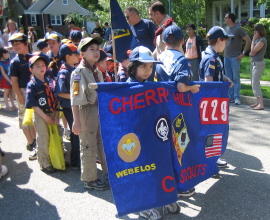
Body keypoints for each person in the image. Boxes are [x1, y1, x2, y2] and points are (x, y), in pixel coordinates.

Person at [127, 45, 181, 219]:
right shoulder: (127, 87)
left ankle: (165, 198)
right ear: (133, 66)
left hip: (154, 137)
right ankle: (145, 205)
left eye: (150, 67)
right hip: (137, 138)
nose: (148, 70)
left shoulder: (151, 85)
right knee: (143, 171)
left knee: (161, 167)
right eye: (143, 66)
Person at [156, 25, 199, 197]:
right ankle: (181, 185)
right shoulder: (182, 60)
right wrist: (193, 88)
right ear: (183, 41)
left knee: (165, 146)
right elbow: (181, 87)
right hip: (177, 109)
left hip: (160, 107)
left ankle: (167, 181)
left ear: (164, 42)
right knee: (180, 146)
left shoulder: (159, 57)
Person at [71, 37, 109, 190]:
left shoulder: (96, 71)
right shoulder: (78, 73)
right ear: (83, 54)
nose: (96, 51)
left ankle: (107, 171)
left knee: (100, 142)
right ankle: (89, 179)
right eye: (91, 49)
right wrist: (76, 120)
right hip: (85, 111)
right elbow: (74, 97)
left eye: (97, 48)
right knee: (88, 144)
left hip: (97, 110)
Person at [199, 26, 234, 168]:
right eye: (225, 41)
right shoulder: (211, 59)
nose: (226, 44)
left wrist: (224, 79)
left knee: (214, 131)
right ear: (219, 40)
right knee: (212, 131)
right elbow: (209, 83)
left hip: (213, 102)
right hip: (211, 103)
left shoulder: (214, 56)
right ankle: (210, 159)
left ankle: (212, 157)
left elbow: (217, 75)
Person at [25, 55, 59, 173]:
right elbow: (33, 104)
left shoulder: (51, 82)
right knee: (43, 139)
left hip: (53, 112)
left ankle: (56, 159)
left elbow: (56, 99)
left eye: (43, 65)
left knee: (56, 136)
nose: (41, 68)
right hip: (41, 115)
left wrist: (55, 116)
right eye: (37, 66)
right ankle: (44, 163)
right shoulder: (32, 85)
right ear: (31, 70)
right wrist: (45, 117)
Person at [8, 33, 37, 160]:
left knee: (36, 119)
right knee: (24, 119)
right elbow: (14, 80)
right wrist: (19, 95)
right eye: (13, 45)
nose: (15, 47)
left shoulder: (35, 57)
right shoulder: (15, 62)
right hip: (23, 91)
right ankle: (31, 142)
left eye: (18, 44)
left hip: (36, 90)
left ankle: (36, 142)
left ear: (26, 43)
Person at [56, 43, 81, 169]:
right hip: (69, 107)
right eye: (75, 54)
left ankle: (78, 159)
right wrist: (76, 97)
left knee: (78, 133)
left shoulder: (73, 69)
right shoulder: (64, 72)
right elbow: (60, 92)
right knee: (76, 133)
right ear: (68, 56)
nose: (78, 55)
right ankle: (75, 161)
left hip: (75, 105)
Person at [224, 12, 251, 105]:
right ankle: (230, 97)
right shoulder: (226, 29)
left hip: (235, 57)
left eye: (225, 17)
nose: (224, 19)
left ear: (230, 19)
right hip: (226, 57)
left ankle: (237, 98)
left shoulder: (238, 29)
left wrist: (243, 53)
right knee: (229, 78)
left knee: (236, 78)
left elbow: (248, 40)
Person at [249, 24, 267, 110]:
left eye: (256, 30)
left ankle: (261, 104)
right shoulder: (257, 40)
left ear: (260, 31)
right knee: (253, 82)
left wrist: (253, 40)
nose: (254, 32)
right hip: (253, 63)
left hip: (258, 63)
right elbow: (251, 53)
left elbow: (253, 51)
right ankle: (257, 101)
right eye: (254, 30)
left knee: (255, 83)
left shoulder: (262, 40)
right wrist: (252, 52)